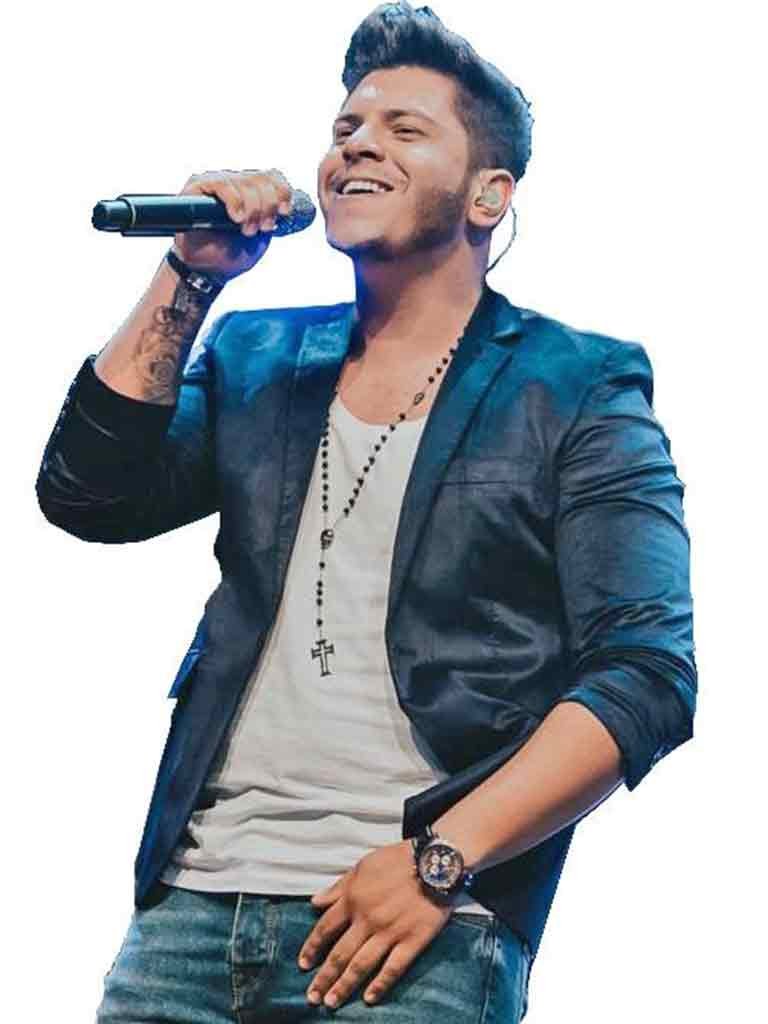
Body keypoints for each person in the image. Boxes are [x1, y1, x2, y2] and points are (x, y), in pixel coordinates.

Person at [36, 3, 697, 1022]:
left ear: (489, 193)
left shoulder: (575, 385)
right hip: (189, 916)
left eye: (403, 128)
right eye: (346, 126)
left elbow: (647, 675)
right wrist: (190, 274)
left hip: (416, 933)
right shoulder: (258, 356)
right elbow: (89, 493)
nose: (357, 144)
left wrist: (440, 860)